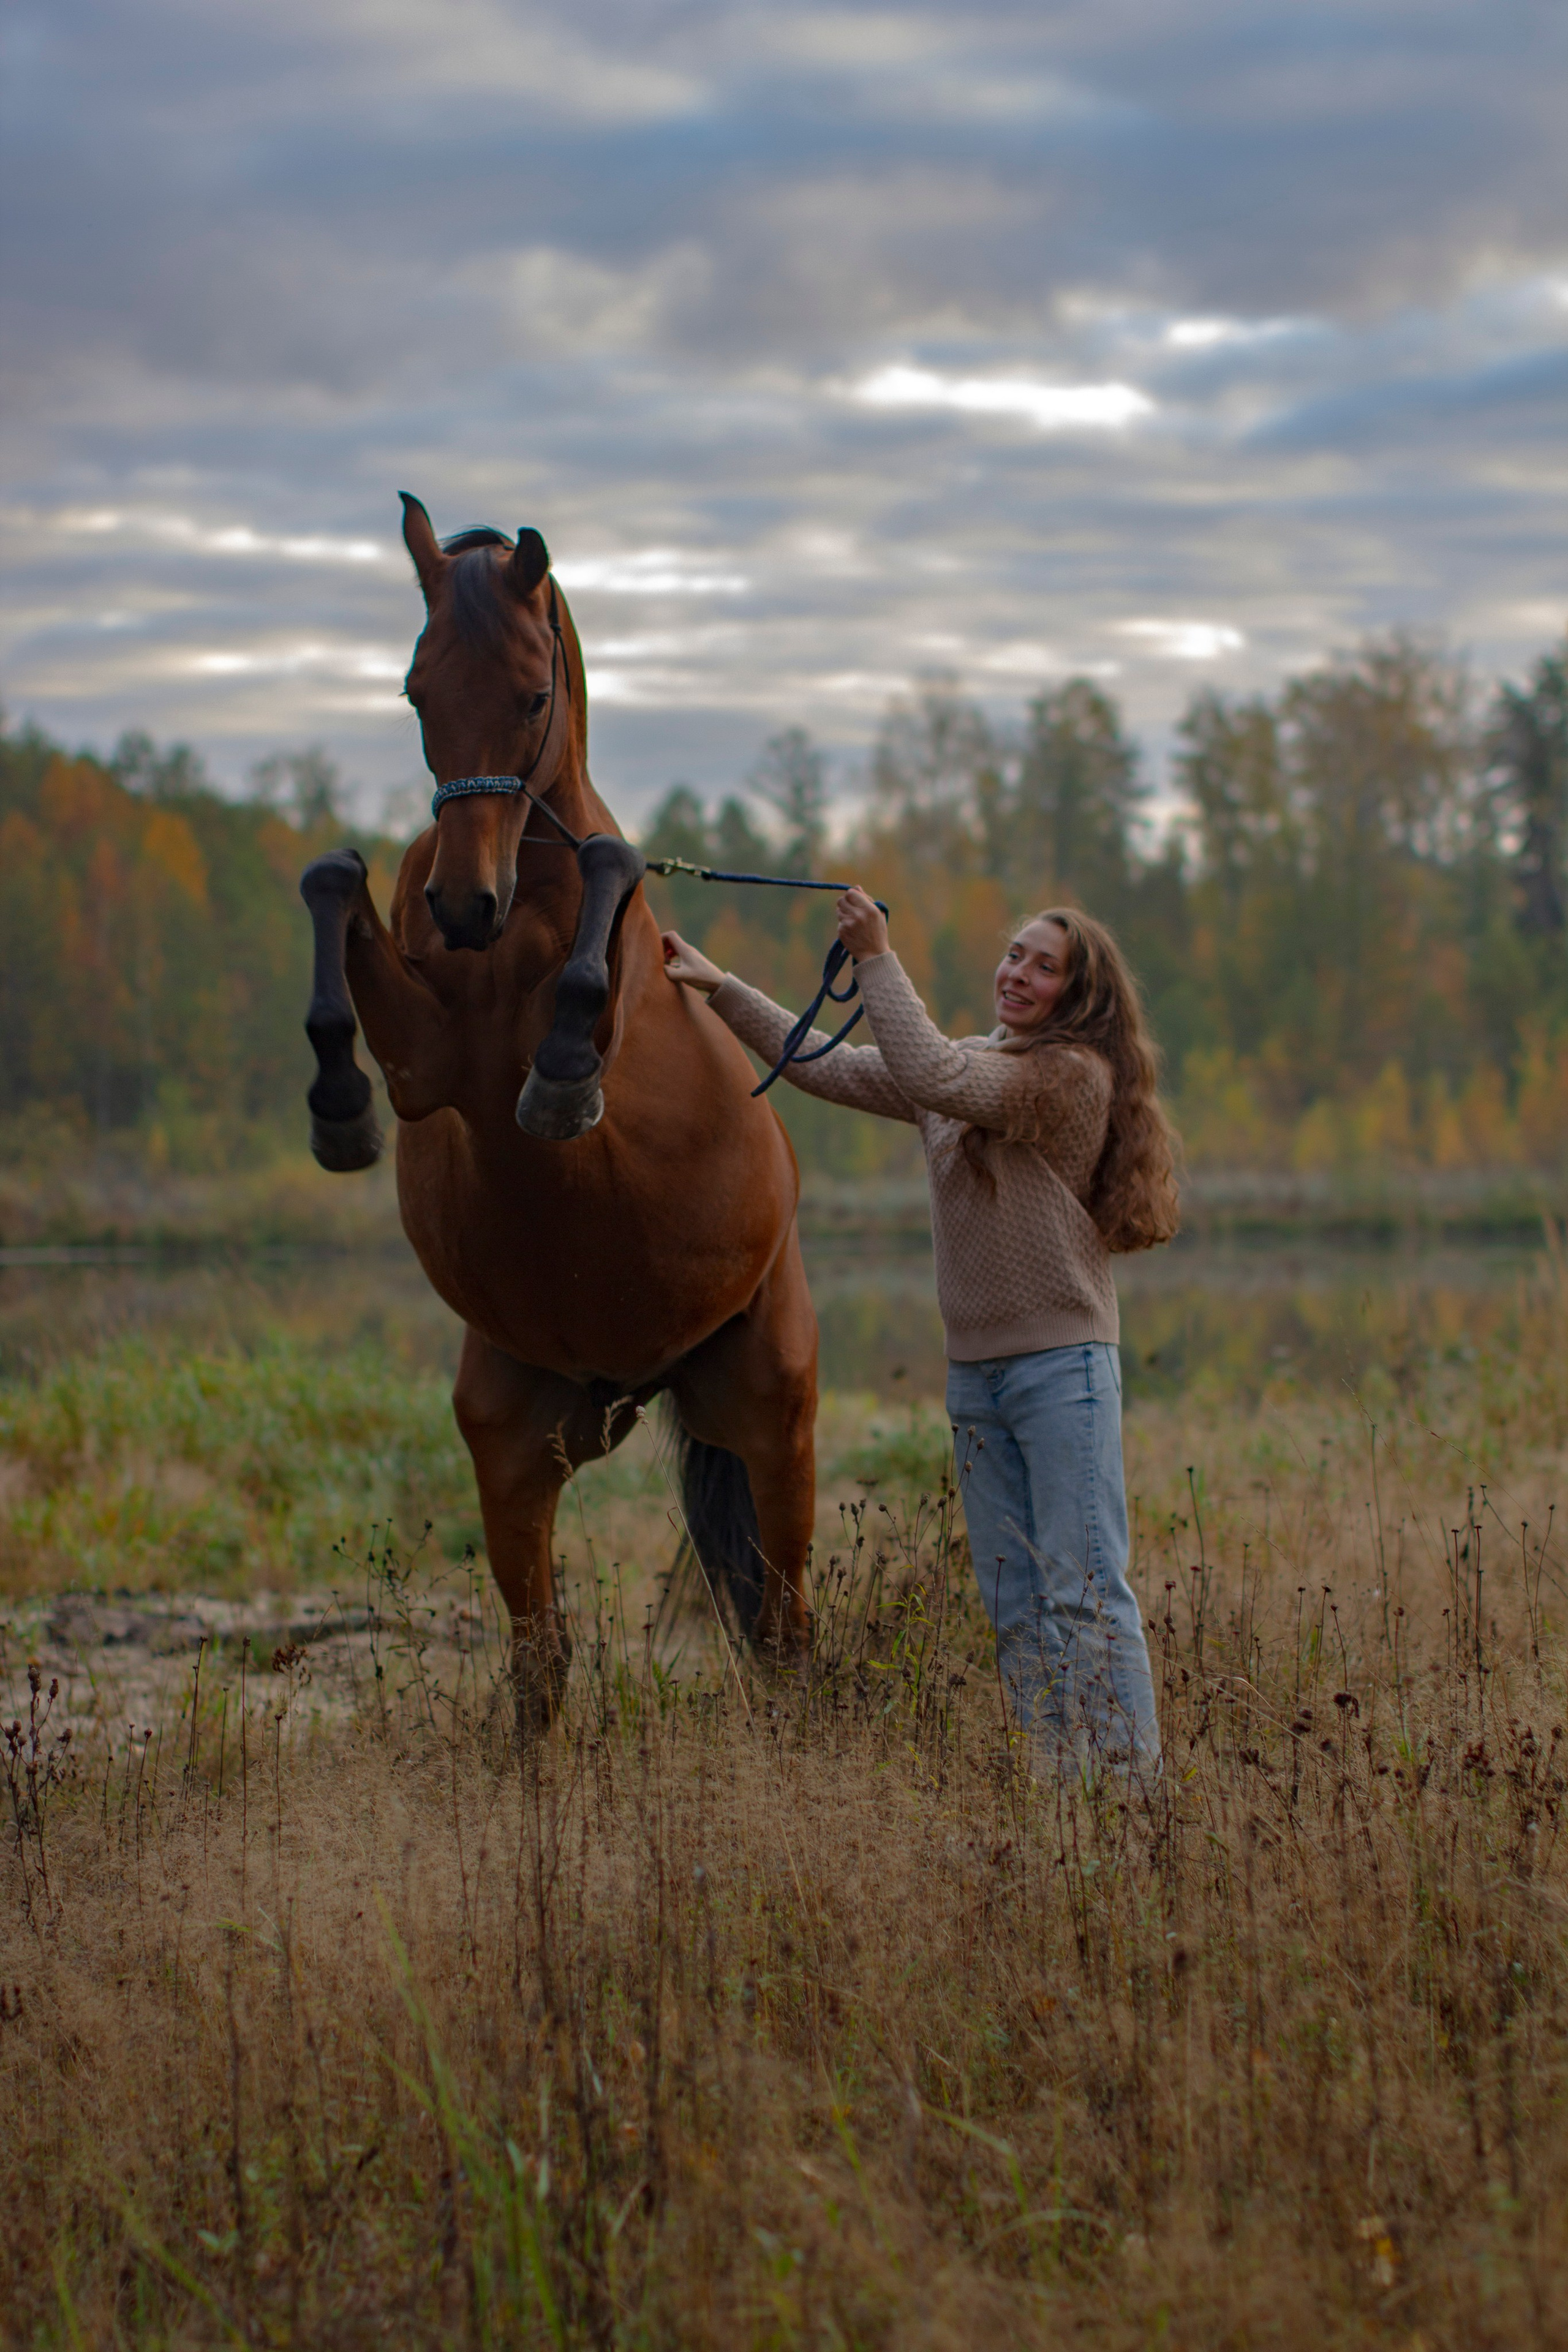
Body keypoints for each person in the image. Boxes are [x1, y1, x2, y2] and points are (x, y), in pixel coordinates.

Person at [662, 889, 1179, 1776]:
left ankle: (1130, 1800)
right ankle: (1062, 1792)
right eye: (1015, 955)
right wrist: (721, 987)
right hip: (978, 1375)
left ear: (1080, 996)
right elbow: (838, 1066)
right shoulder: (974, 1067)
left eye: (1044, 965)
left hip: (1063, 1370)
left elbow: (934, 1075)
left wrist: (874, 956)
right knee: (1016, 1601)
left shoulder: (1066, 1079)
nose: (1018, 973)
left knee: (1085, 1593)